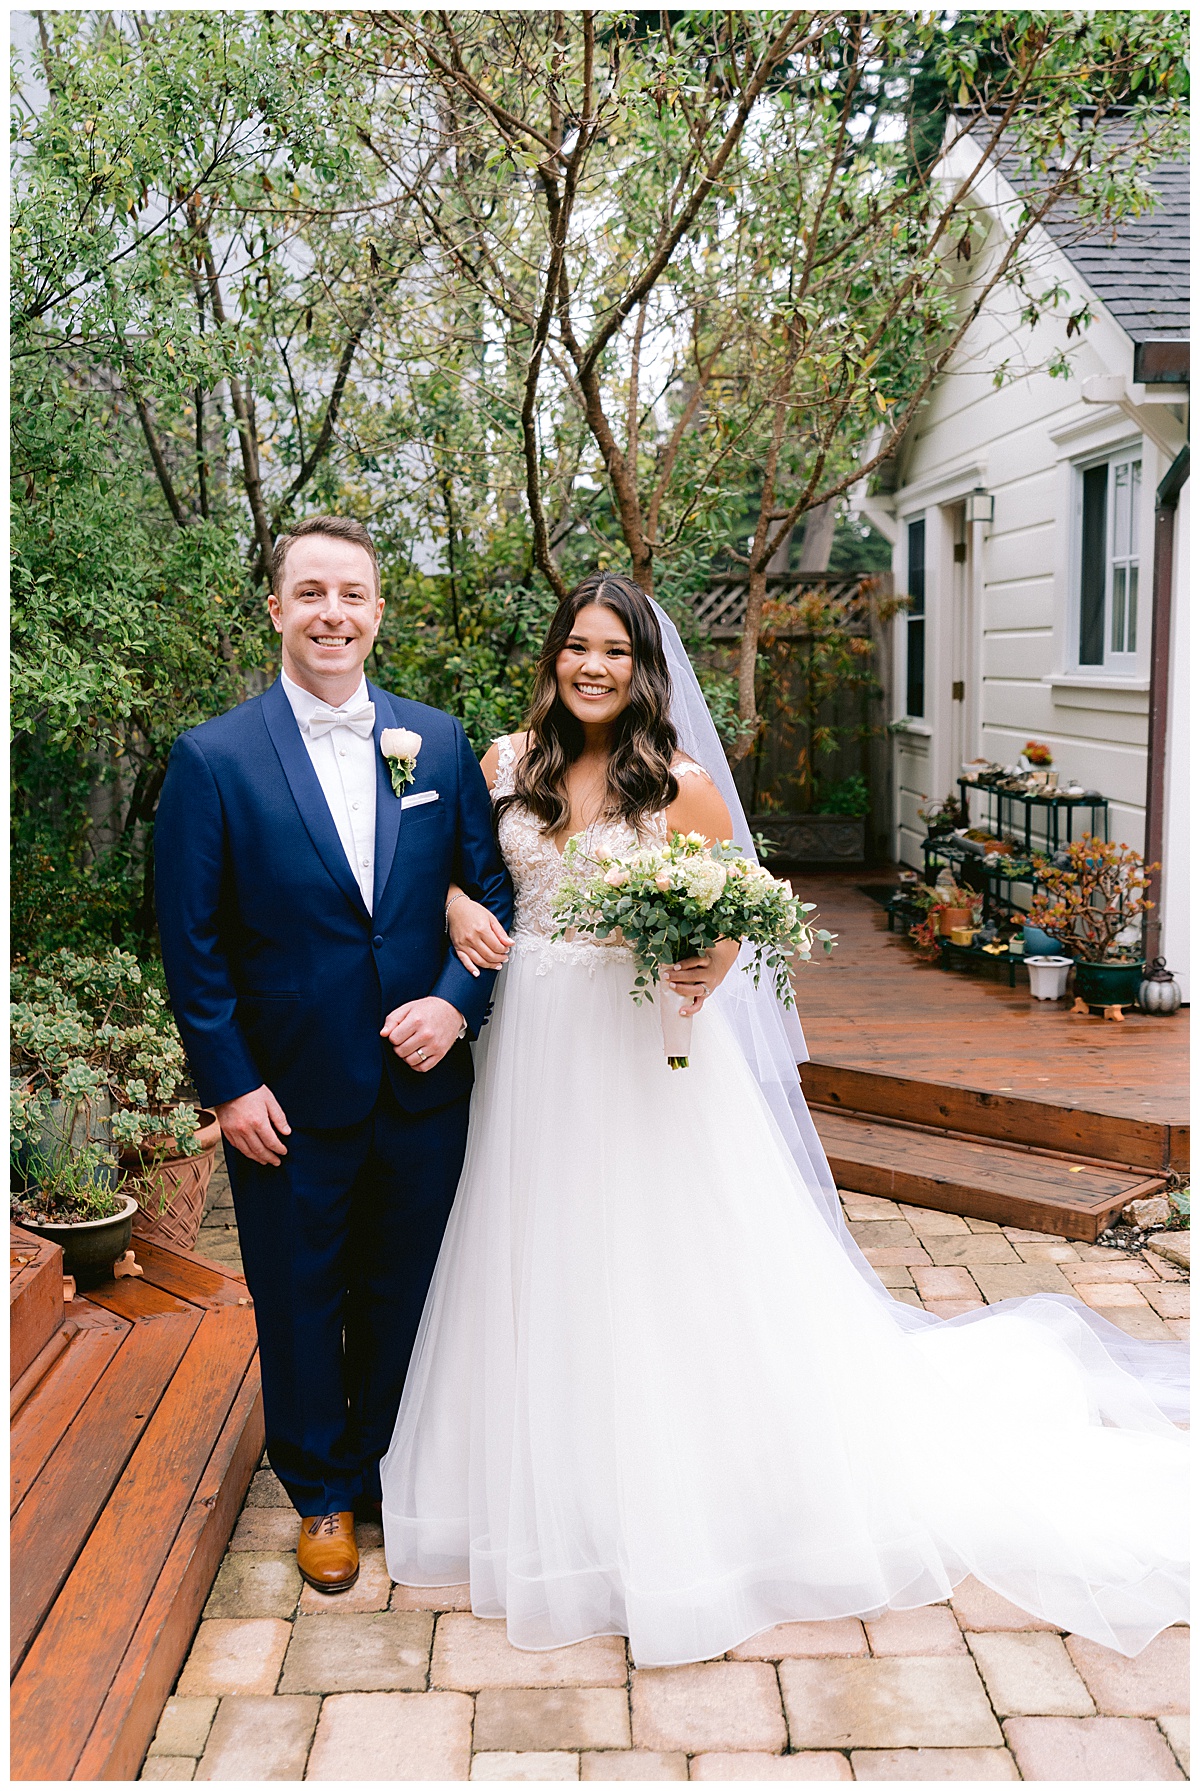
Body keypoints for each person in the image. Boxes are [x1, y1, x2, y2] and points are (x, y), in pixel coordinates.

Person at [380, 569, 1187, 1669]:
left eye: (615, 650)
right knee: (539, 1242)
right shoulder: (506, 766)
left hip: (639, 1044)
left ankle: (686, 1493)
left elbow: (731, 925)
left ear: (642, 668)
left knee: (661, 1256)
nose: (593, 667)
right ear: (554, 656)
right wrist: (464, 902)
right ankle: (542, 1475)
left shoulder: (682, 784)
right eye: (578, 647)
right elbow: (450, 875)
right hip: (532, 1042)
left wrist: (706, 958)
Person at [155, 515, 512, 1595]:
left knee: (408, 1284)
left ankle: (388, 1473)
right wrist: (229, 1085)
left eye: (351, 594)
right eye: (310, 593)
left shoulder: (437, 744)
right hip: (286, 1092)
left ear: (378, 612)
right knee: (300, 1293)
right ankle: (319, 1496)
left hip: (419, 1085)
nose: (332, 614)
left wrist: (455, 1005)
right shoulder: (214, 758)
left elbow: (490, 899)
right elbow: (192, 943)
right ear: (275, 610)